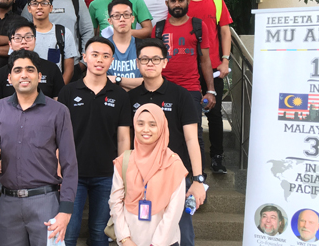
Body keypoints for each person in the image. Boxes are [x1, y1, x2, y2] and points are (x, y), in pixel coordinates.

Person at [0, 49, 79, 245]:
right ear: (9, 78)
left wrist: (65, 210)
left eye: (30, 69)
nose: (24, 74)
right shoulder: (0, 107)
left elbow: (69, 163)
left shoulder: (59, 111)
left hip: (45, 201)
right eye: (18, 70)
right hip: (8, 202)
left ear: (39, 76)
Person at [127, 38, 207, 246]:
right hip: (141, 176)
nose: (150, 63)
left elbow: (191, 139)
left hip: (175, 175)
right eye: (144, 59)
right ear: (138, 63)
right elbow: (126, 140)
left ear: (165, 62)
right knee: (144, 233)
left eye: (155, 58)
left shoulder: (180, 95)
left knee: (181, 235)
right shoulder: (130, 97)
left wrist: (198, 180)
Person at [57, 37, 132, 246]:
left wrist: (122, 170)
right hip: (72, 173)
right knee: (68, 231)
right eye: (95, 54)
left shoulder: (119, 95)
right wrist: (57, 163)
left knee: (100, 232)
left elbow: (124, 136)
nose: (100, 60)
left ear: (111, 61)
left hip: (107, 175)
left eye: (106, 56)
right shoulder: (68, 92)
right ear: (85, 57)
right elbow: (58, 133)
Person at [109, 104, 189, 246]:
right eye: (140, 124)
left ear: (162, 127)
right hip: (130, 240)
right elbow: (115, 202)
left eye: (153, 124)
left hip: (165, 242)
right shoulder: (124, 161)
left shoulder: (173, 163)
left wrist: (156, 244)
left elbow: (174, 211)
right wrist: (124, 238)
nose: (146, 129)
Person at [183, 0, 233, 174]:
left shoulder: (217, 2)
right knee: (187, 114)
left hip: (213, 67)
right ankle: (190, 158)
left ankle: (217, 157)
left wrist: (225, 60)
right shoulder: (181, 2)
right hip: (187, 69)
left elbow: (224, 32)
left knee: (214, 115)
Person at [154, 0, 217, 114]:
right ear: (167, 3)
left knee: (193, 132)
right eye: (173, 1)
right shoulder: (158, 28)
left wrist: (210, 90)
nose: (177, 4)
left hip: (191, 89)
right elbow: (153, 62)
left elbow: (205, 61)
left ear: (188, 1)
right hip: (163, 88)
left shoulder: (198, 26)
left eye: (181, 0)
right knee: (163, 132)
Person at [22, 0, 93, 66]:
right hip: (37, 64)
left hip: (73, 64)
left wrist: (84, 63)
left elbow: (87, 31)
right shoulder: (32, 4)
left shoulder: (75, 1)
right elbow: (23, 32)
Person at [0, 21, 65, 102]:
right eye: (18, 38)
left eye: (28, 37)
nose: (23, 42)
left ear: (35, 40)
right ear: (10, 44)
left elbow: (59, 103)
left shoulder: (52, 69)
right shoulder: (1, 74)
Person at [27, 0, 78, 84]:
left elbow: (69, 70)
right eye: (35, 3)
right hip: (27, 87)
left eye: (44, 3)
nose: (39, 7)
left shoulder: (64, 33)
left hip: (54, 89)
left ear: (51, 8)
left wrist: (58, 92)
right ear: (29, 8)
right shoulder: (22, 34)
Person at [103, 0, 144, 90]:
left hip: (139, 100)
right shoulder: (103, 47)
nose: (122, 19)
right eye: (117, 16)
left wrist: (117, 80)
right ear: (110, 20)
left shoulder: (143, 47)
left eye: (126, 15)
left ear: (132, 18)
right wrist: (132, 83)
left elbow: (149, 82)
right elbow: (98, 81)